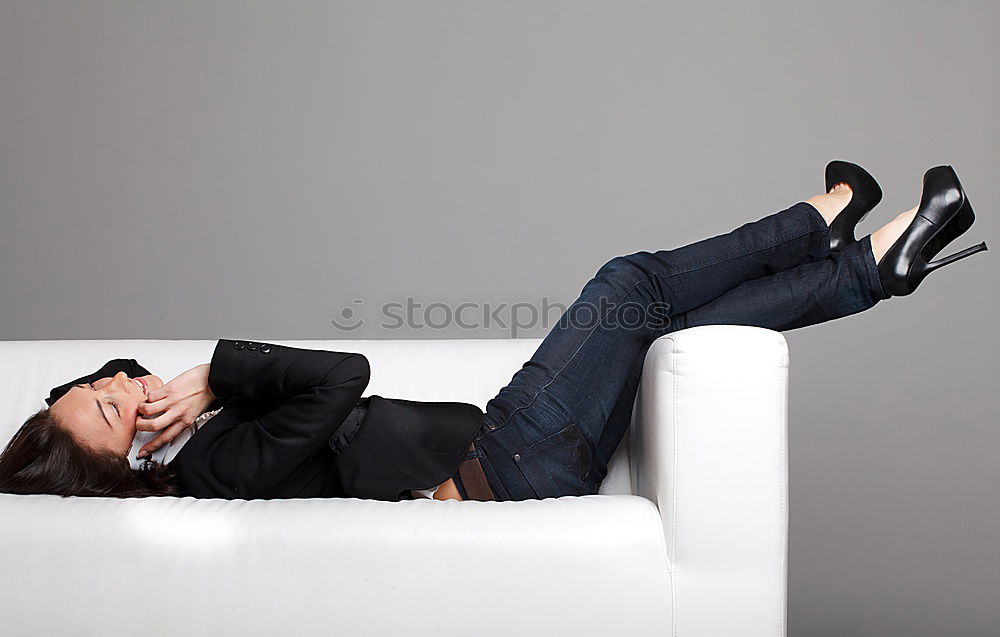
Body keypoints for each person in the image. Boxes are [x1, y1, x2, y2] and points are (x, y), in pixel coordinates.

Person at [0, 162, 987, 502]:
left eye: (99, 386)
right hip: (508, 457)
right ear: (124, 454)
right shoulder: (215, 463)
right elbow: (342, 377)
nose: (120, 388)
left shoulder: (170, 439)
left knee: (664, 326)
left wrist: (117, 391)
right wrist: (217, 370)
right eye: (108, 407)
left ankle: (873, 253)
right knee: (628, 282)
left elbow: (118, 379)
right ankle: (836, 220)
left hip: (517, 460)